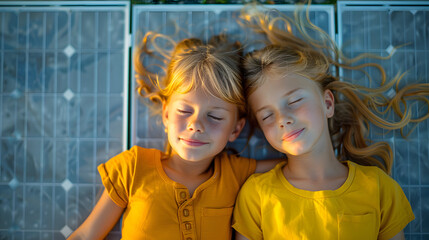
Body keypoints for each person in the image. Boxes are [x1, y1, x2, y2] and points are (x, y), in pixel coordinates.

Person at [232, 4, 429, 240]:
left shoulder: (379, 189)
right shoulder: (256, 195)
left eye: (294, 101)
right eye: (267, 116)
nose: (283, 119)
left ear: (327, 103)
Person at [67, 32, 281, 240]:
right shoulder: (133, 169)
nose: (195, 125)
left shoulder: (234, 174)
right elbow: (87, 235)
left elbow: (294, 167)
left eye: (215, 116)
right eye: (185, 111)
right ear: (166, 114)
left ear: (236, 129)